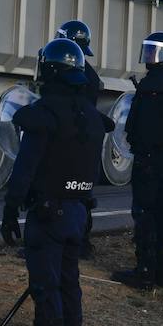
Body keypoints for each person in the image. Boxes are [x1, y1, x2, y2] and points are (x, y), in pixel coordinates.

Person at [0, 39, 110, 326]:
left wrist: (10, 208)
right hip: (77, 212)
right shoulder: (91, 117)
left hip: (47, 214)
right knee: (69, 287)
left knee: (46, 290)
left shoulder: (45, 114)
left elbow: (26, 167)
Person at [113, 32, 163, 289]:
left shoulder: (154, 83)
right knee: (161, 214)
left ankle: (144, 272)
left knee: (145, 215)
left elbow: (142, 123)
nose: (148, 57)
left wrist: (136, 142)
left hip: (149, 156)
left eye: (154, 51)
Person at [54, 19, 103, 258]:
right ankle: (80, 241)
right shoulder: (89, 75)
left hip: (71, 139)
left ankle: (78, 242)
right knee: (81, 191)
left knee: (68, 192)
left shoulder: (78, 75)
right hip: (85, 140)